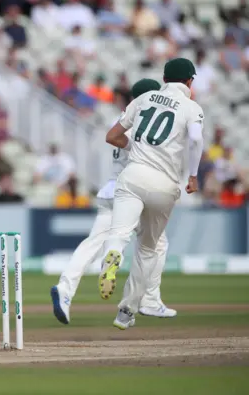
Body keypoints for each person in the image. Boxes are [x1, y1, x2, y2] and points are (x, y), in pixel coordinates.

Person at [50, 79, 177, 326]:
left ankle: (64, 289)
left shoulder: (122, 119)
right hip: (133, 194)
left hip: (110, 189)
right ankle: (144, 301)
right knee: (155, 245)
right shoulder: (148, 124)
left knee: (92, 243)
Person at [100, 58, 204, 329]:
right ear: (190, 82)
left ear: (164, 78)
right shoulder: (192, 108)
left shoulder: (144, 98)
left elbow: (112, 136)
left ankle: (111, 256)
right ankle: (126, 311)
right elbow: (194, 139)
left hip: (132, 175)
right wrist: (192, 175)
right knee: (148, 248)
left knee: (119, 234)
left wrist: (133, 149)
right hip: (164, 184)